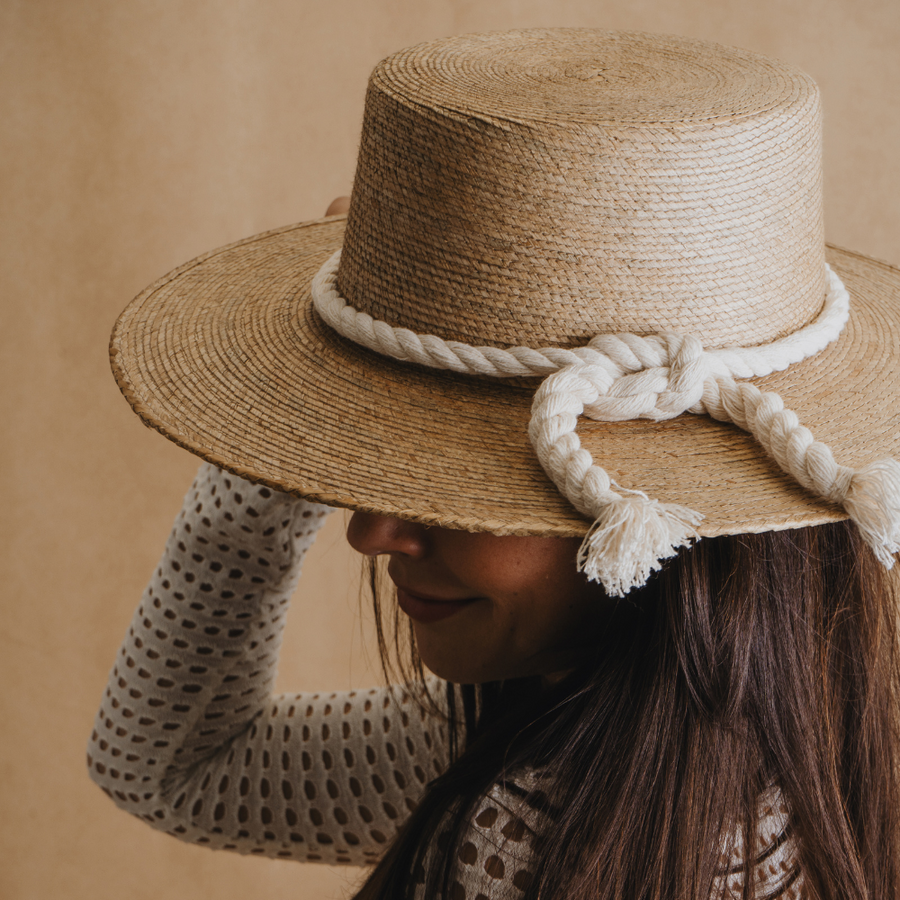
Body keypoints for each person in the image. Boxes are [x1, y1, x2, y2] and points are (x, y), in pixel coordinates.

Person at [89, 29, 900, 900]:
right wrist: (312, 417)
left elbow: (167, 767)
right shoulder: (785, 746)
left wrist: (291, 420)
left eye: (459, 486)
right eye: (378, 463)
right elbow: (176, 768)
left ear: (658, 506)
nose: (370, 530)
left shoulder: (524, 829)